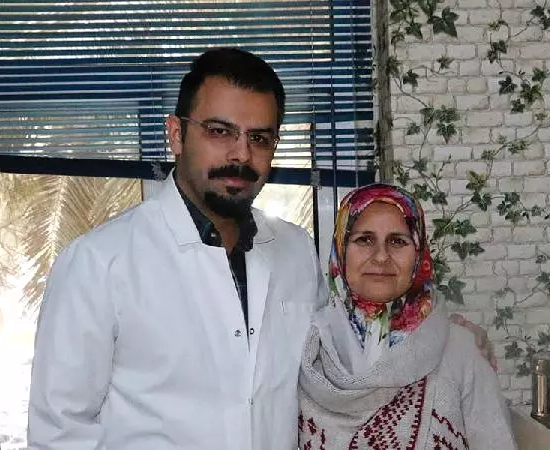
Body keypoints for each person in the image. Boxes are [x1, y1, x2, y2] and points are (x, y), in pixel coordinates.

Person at [28, 47, 495, 449]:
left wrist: (442, 333)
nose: (240, 154)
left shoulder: (295, 251)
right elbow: (60, 432)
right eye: (219, 131)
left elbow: (349, 347)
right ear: (176, 134)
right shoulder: (99, 263)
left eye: (259, 138)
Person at [298, 184, 517, 449]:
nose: (381, 256)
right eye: (364, 240)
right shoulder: (307, 350)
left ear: (418, 253)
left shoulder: (460, 351)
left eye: (397, 241)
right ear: (340, 250)